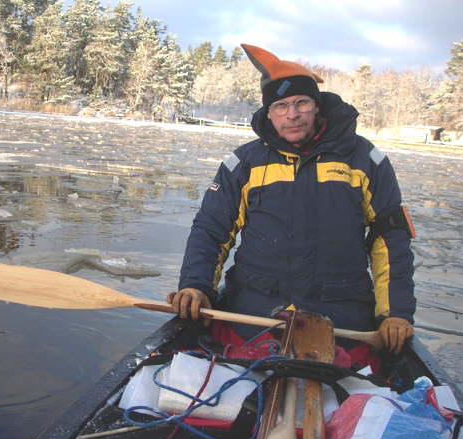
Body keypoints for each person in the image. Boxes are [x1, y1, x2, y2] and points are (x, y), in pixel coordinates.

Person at [167, 44, 416, 358]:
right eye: (281, 105)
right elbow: (211, 230)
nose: (292, 114)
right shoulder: (244, 163)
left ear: (317, 106)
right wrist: (196, 286)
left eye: (301, 102)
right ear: (269, 113)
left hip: (343, 321)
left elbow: (389, 240)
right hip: (251, 317)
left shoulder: (366, 160)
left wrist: (395, 313)